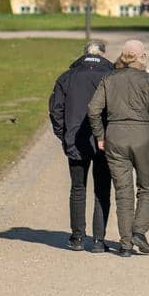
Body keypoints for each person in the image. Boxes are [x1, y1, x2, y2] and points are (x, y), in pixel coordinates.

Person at [87, 39, 149, 256]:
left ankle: (125, 244)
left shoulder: (109, 78)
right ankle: (139, 231)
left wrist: (100, 136)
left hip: (115, 136)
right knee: (147, 188)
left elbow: (93, 109)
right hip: (143, 137)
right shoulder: (148, 81)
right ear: (141, 57)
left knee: (123, 192)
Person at [48, 39, 115, 252]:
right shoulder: (111, 76)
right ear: (103, 54)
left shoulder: (67, 77)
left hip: (75, 139)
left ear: (84, 53)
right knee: (102, 189)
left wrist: (64, 134)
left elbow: (56, 110)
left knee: (78, 188)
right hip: (104, 140)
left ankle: (77, 237)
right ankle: (98, 240)